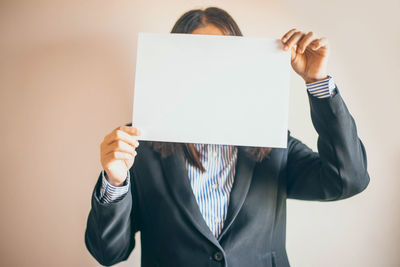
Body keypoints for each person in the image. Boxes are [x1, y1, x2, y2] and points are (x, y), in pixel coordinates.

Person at [85, 7, 369, 267]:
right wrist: (114, 182)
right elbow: (108, 253)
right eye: (196, 58)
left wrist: (317, 82)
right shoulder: (140, 145)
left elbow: (347, 180)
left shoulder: (270, 143)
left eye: (222, 57)